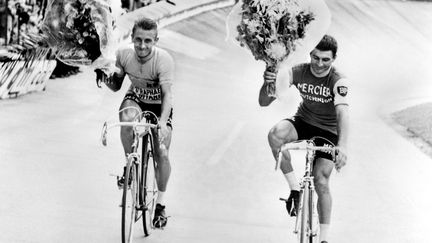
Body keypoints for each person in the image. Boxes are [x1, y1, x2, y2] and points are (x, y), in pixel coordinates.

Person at [259, 35, 349, 243]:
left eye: (325, 60)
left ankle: (324, 239)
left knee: (321, 180)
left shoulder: (338, 80)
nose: (319, 64)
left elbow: (343, 113)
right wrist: (268, 83)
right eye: (315, 57)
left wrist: (342, 147)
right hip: (303, 121)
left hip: (328, 131)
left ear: (333, 59)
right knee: (275, 135)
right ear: (310, 54)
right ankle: (294, 190)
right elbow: (264, 102)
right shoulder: (298, 71)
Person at [97, 17, 174, 229]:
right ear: (132, 37)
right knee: (127, 119)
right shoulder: (124, 54)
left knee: (162, 153)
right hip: (137, 98)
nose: (142, 45)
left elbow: (167, 95)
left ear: (155, 40)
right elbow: (115, 86)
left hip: (159, 105)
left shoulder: (163, 60)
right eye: (138, 39)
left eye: (148, 41)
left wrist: (164, 123)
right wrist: (102, 72)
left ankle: (160, 205)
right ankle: (129, 166)